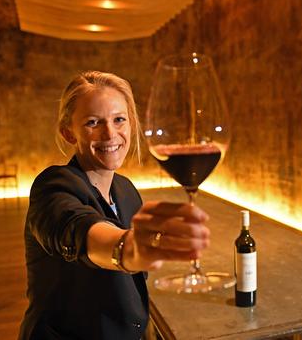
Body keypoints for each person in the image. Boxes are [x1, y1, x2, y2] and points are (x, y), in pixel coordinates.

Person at [19, 71, 211, 339]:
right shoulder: (51, 187)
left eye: (119, 119)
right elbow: (77, 230)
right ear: (68, 133)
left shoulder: (127, 190)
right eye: (93, 122)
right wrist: (127, 249)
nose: (110, 133)